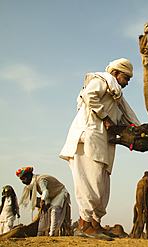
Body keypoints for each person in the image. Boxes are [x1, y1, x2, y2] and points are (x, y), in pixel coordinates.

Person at [59, 58, 140, 240]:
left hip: (101, 142)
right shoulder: (102, 80)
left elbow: (129, 118)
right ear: (115, 74)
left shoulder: (116, 95)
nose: (127, 83)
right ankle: (84, 226)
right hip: (87, 138)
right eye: (126, 78)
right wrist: (105, 118)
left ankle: (95, 223)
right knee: (90, 182)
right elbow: (89, 96)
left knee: (101, 184)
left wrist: (144, 132)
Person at [16, 167, 70, 236]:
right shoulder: (31, 185)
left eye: (23, 179)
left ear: (29, 176)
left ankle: (52, 234)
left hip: (59, 193)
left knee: (54, 210)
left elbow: (45, 191)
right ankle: (40, 234)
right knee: (44, 212)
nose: (22, 181)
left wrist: (43, 200)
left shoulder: (40, 179)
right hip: (50, 196)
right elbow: (33, 198)